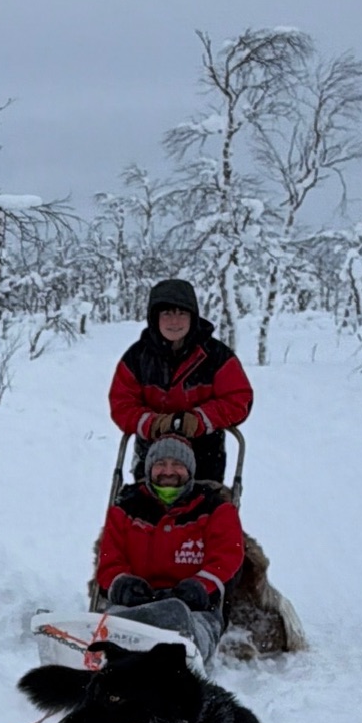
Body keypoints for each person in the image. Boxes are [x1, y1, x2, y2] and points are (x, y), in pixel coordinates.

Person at [92, 432, 243, 660]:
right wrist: (121, 583)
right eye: (160, 464)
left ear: (190, 470)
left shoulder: (216, 509)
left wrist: (200, 586)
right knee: (115, 628)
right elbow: (109, 559)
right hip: (135, 607)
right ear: (149, 468)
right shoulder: (125, 508)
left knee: (180, 623)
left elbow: (227, 557)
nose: (168, 471)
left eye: (177, 464)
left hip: (195, 611)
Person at [108, 278, 252, 488]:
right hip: (152, 454)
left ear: (193, 316)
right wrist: (153, 423)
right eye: (167, 313)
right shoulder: (137, 358)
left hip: (205, 455)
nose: (174, 322)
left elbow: (239, 399)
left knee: (205, 514)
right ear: (155, 317)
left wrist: (200, 419)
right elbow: (122, 404)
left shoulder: (216, 356)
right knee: (144, 513)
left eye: (181, 313)